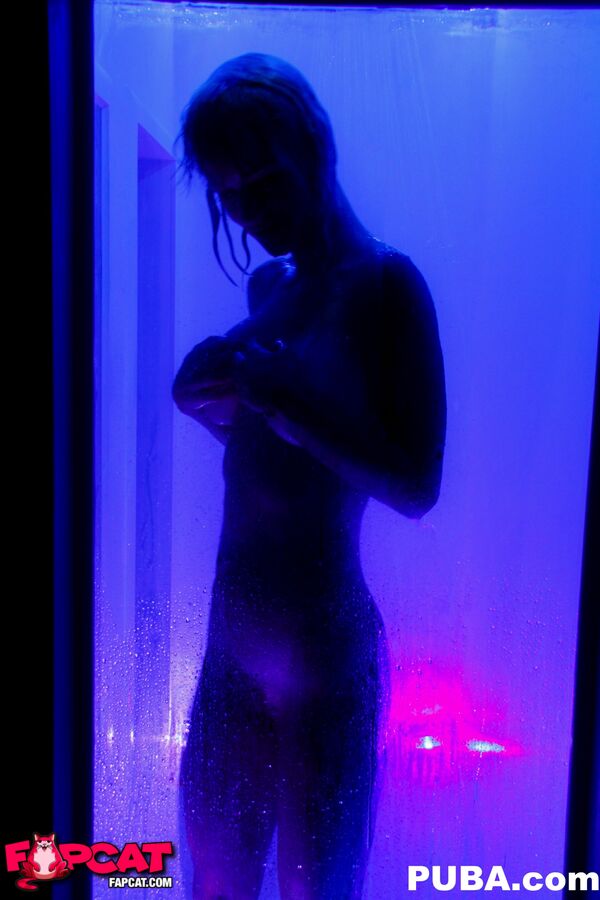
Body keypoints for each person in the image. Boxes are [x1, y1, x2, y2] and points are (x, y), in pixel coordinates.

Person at [173, 52, 446, 900]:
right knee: (214, 889)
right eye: (231, 195)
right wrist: (211, 407)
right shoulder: (269, 284)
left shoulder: (388, 285)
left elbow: (416, 484)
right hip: (232, 646)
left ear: (316, 147)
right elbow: (281, 464)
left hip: (326, 659)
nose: (252, 213)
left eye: (265, 183)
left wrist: (290, 403)